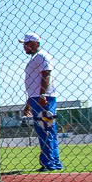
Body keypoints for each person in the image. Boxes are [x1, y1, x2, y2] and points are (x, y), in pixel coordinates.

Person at [19, 33, 62, 171]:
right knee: (45, 129)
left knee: (46, 129)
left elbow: (46, 73)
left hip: (43, 98)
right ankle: (53, 162)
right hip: (35, 97)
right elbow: (33, 83)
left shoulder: (42, 56)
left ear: (35, 43)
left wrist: (42, 94)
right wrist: (28, 102)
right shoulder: (35, 58)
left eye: (26, 43)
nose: (24, 46)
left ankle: (49, 163)